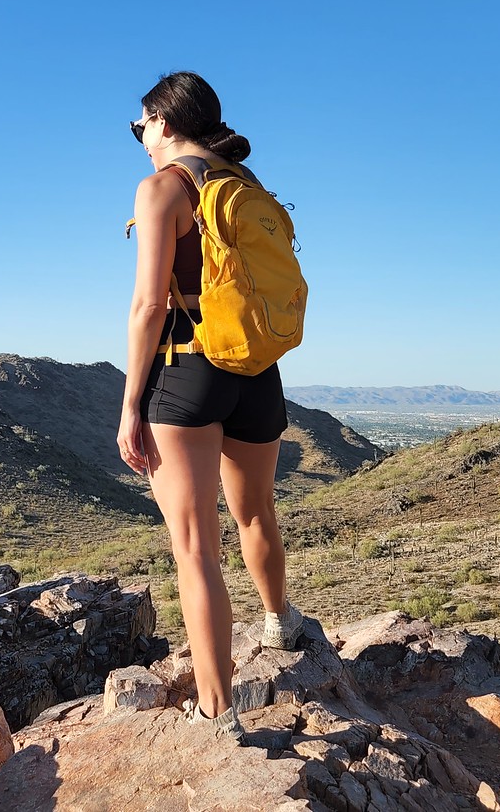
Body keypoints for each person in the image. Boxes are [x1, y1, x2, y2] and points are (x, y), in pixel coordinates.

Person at [117, 72, 307, 740]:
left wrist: (130, 403)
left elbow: (147, 307)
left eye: (142, 126)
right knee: (256, 509)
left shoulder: (164, 188)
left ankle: (218, 714)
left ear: (165, 122)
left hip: (187, 369)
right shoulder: (246, 186)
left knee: (196, 548)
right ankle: (283, 621)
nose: (141, 139)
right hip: (256, 370)